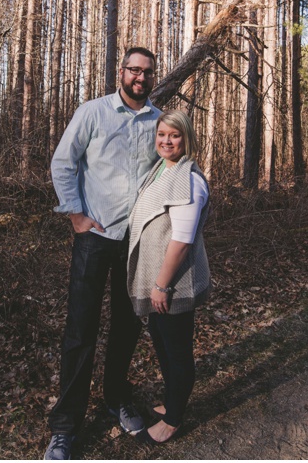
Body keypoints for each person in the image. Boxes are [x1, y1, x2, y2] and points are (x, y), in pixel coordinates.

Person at [47, 47, 161, 460]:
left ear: (152, 76)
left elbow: (169, 170)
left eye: (147, 72)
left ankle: (117, 399)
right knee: (81, 331)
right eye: (134, 69)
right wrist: (76, 215)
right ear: (122, 72)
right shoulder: (93, 112)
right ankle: (65, 427)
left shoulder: (158, 119)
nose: (139, 77)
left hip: (137, 243)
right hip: (95, 238)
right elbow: (63, 162)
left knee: (128, 327)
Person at [125, 108, 212, 446]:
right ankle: (172, 399)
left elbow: (181, 240)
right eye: (162, 135)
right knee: (162, 343)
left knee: (177, 352)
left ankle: (174, 419)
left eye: (174, 135)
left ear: (185, 138)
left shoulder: (187, 179)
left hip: (174, 282)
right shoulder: (162, 170)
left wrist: (161, 285)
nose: (166, 141)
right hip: (158, 281)